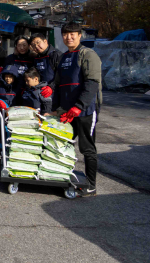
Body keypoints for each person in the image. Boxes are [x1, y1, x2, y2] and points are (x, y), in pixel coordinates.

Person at [52, 22, 102, 196]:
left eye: (73, 34)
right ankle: (63, 175)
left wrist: (79, 107)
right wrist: (55, 108)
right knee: (64, 145)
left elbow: (92, 84)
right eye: (66, 34)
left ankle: (91, 184)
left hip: (85, 111)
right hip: (66, 113)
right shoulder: (64, 57)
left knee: (87, 148)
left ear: (80, 35)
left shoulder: (88, 54)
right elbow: (58, 85)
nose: (69, 37)